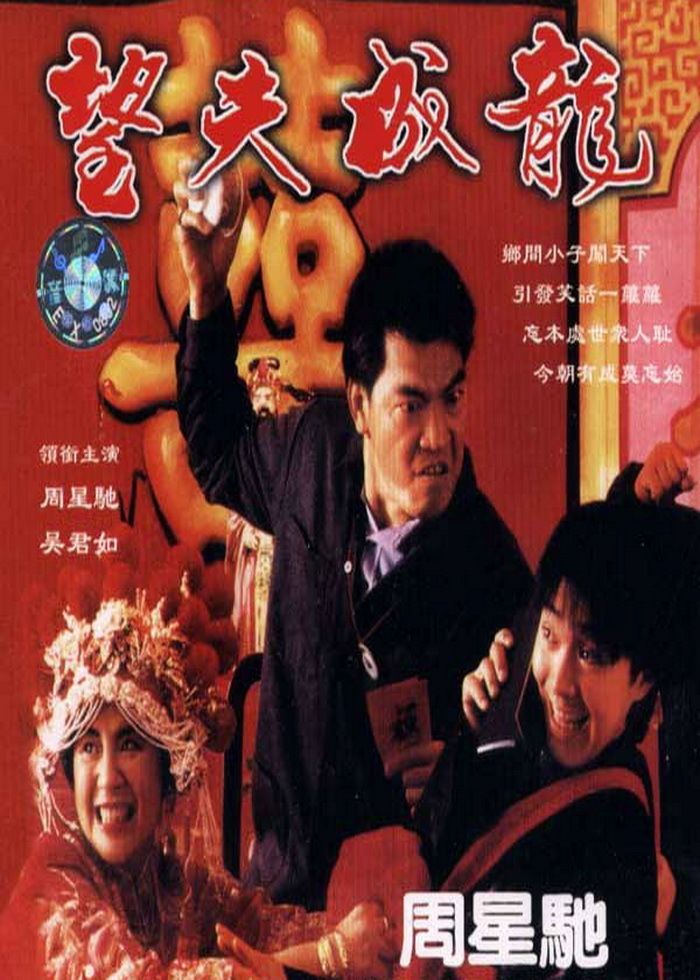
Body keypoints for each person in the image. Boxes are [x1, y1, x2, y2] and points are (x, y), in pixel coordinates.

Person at [174, 162, 532, 908]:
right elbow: (219, 454)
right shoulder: (312, 448)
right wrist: (207, 292)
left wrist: (461, 775)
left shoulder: (495, 574)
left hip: (398, 927)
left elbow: (523, 785)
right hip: (278, 896)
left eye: (453, 398)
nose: (439, 436)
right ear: (361, 405)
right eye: (411, 405)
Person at [0, 585, 397, 979]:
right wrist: (331, 954)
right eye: (88, 747)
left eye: (129, 743)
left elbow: (265, 928)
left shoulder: (172, 880)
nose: (107, 777)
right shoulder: (52, 880)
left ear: (169, 774)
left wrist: (364, 932)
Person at [417, 501, 694, 979]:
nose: (560, 682)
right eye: (548, 635)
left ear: (643, 679)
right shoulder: (505, 742)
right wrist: (471, 739)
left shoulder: (621, 810)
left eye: (590, 654)